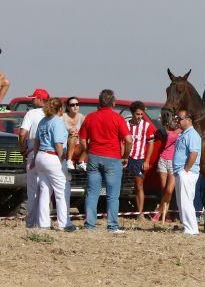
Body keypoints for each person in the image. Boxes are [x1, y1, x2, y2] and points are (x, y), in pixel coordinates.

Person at [79, 89, 133, 233]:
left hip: (94, 157)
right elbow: (128, 140)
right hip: (113, 158)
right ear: (113, 103)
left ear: (99, 102)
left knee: (92, 193)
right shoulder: (117, 118)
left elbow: (82, 139)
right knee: (112, 195)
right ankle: (112, 226)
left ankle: (90, 225)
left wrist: (89, 149)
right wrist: (125, 156)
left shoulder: (90, 117)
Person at [34, 97, 75, 232]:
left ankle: (43, 223)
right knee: (62, 190)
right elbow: (58, 143)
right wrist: (62, 157)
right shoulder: (57, 122)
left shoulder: (43, 121)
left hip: (41, 156)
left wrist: (35, 159)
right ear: (60, 109)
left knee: (45, 190)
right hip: (52, 157)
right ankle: (64, 223)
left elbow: (36, 142)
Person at [18, 88, 49, 228]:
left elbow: (23, 133)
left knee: (32, 190)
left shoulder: (31, 113)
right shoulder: (53, 113)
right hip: (50, 154)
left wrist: (22, 148)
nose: (32, 100)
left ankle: (31, 223)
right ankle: (44, 222)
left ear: (40, 99)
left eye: (34, 98)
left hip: (32, 152)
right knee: (45, 189)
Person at [173, 110, 201, 235]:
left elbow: (194, 153)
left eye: (180, 118)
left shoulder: (193, 135)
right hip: (180, 172)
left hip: (187, 173)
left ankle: (192, 229)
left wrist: (186, 170)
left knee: (186, 201)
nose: (178, 120)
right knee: (181, 202)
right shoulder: (184, 134)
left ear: (188, 120)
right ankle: (187, 227)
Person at [127, 101, 157, 220]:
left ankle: (140, 213)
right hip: (126, 158)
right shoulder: (126, 124)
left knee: (139, 185)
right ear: (132, 113)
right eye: (137, 114)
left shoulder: (146, 126)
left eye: (141, 114)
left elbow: (151, 144)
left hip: (139, 159)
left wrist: (147, 160)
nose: (139, 117)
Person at [152, 119, 181, 223]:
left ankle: (159, 211)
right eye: (171, 121)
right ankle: (166, 213)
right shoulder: (167, 131)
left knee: (169, 191)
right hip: (163, 160)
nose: (173, 123)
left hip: (174, 162)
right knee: (164, 190)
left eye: (175, 121)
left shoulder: (182, 131)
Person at [62, 97, 86, 170]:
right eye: (72, 105)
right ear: (68, 107)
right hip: (65, 146)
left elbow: (86, 132)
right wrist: (68, 132)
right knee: (73, 137)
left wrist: (78, 134)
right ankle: (69, 161)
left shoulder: (82, 117)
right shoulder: (63, 116)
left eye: (77, 104)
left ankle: (80, 162)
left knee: (89, 142)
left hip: (78, 148)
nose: (75, 106)